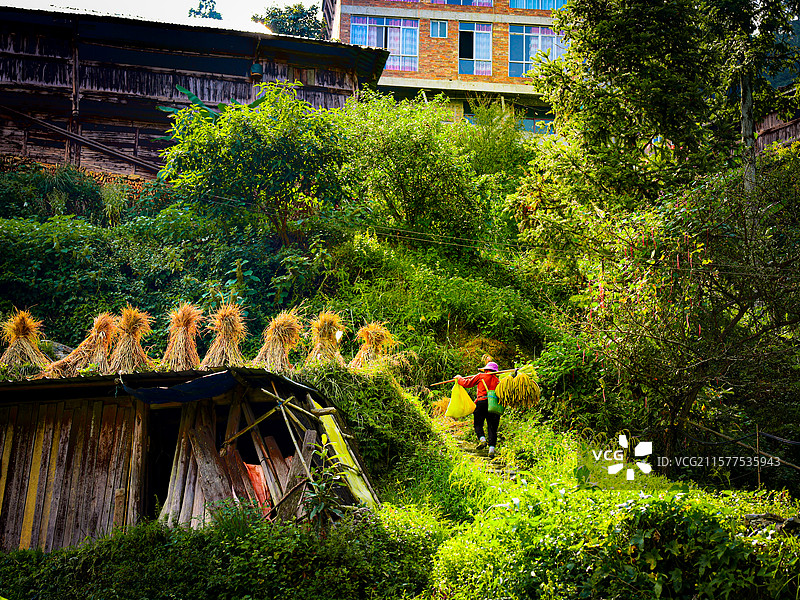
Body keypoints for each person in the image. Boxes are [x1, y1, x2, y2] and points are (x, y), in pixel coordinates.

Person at [456, 361, 501, 457]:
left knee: (478, 423)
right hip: (494, 404)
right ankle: (491, 450)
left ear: (486, 369)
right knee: (492, 427)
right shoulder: (498, 381)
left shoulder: (481, 376)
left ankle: (482, 439)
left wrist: (459, 378)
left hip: (482, 403)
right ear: (495, 371)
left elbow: (467, 383)